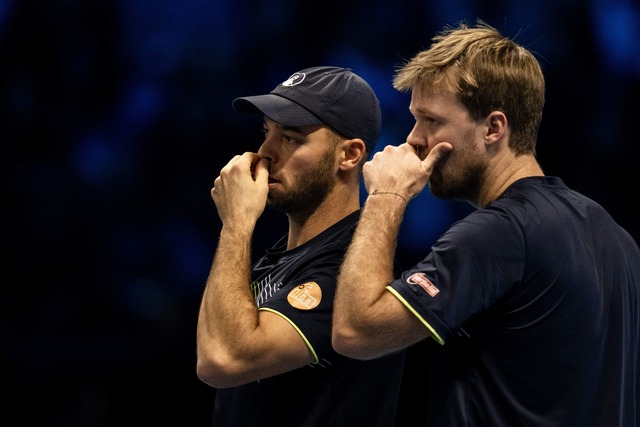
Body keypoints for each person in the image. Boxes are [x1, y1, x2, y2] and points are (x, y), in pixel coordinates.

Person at [331, 21, 640, 426]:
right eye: (414, 119)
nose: (413, 140)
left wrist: (387, 197)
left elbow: (355, 331)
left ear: (494, 128)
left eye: (431, 121)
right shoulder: (617, 238)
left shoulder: (502, 232)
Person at [196, 66, 406, 427]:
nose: (264, 153)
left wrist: (236, 223)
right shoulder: (276, 258)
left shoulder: (351, 269)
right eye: (267, 132)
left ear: (350, 155)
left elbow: (223, 359)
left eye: (291, 138)